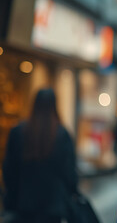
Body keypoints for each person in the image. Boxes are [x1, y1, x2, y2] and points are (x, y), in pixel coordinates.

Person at [2, 88, 78, 223]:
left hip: (22, 206)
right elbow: (70, 175)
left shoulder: (18, 132)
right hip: (53, 208)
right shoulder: (62, 135)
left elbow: (9, 170)